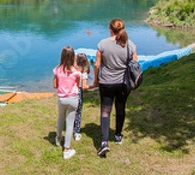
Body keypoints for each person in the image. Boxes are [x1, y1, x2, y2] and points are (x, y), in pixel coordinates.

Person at [92, 18, 137, 157]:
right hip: (124, 84)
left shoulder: (103, 44)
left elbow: (97, 65)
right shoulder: (130, 45)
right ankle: (117, 135)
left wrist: (96, 80)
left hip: (106, 82)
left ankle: (104, 143)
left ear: (110, 29)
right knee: (120, 108)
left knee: (105, 111)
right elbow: (135, 63)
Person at [53, 46, 81, 159]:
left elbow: (55, 85)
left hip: (62, 99)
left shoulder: (57, 70)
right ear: (73, 57)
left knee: (60, 118)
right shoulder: (77, 71)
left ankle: (58, 138)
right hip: (73, 99)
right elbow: (78, 86)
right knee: (70, 124)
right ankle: (66, 150)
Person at [73, 53, 91, 141]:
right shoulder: (83, 73)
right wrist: (94, 86)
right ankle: (76, 132)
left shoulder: (72, 71)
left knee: (71, 112)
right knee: (78, 113)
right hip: (79, 93)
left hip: (72, 93)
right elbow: (84, 87)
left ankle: (70, 128)